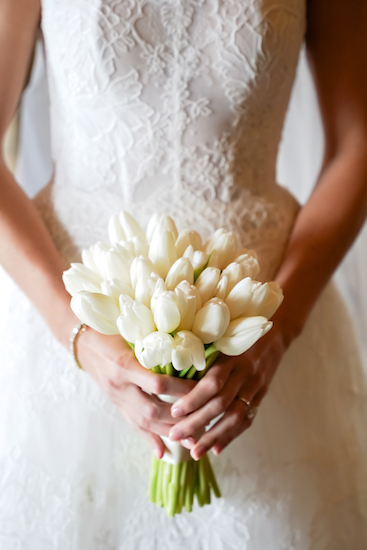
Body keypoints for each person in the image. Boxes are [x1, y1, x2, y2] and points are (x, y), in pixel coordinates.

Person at [1, 0, 367, 548]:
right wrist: (79, 338)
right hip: (72, 303)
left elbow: (357, 144)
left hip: (265, 318)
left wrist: (277, 329)